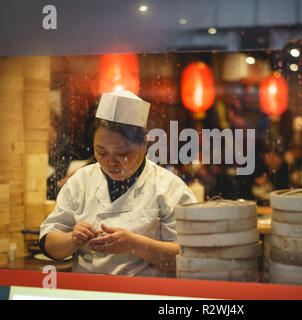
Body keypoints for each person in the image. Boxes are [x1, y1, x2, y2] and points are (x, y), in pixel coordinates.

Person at [39, 91, 197, 276]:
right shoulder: (80, 181)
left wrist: (134, 245)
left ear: (144, 144)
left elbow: (190, 255)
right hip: (85, 293)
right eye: (102, 152)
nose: (111, 162)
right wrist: (72, 240)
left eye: (122, 154)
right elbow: (48, 243)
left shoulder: (170, 188)